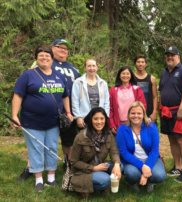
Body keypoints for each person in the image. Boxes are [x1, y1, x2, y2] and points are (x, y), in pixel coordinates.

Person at [12, 45, 74, 191]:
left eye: (47, 55)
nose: (44, 58)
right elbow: (18, 95)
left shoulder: (59, 76)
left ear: (52, 59)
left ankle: (51, 179)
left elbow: (65, 95)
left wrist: (69, 112)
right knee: (36, 149)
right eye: (41, 55)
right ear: (36, 59)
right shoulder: (28, 75)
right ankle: (38, 179)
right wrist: (14, 115)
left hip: (53, 122)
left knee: (52, 148)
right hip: (32, 121)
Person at [159, 46, 182, 182]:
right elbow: (162, 91)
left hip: (178, 112)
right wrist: (160, 108)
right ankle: (177, 167)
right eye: (168, 55)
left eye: (172, 55)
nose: (170, 57)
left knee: (181, 140)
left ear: (178, 57)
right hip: (166, 111)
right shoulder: (164, 72)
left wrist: (181, 108)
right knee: (171, 139)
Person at [70, 107, 121, 198]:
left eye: (102, 118)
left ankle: (100, 183)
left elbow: (114, 153)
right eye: (95, 119)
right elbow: (74, 162)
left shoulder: (108, 135)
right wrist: (94, 168)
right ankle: (83, 188)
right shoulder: (81, 137)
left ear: (105, 120)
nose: (99, 122)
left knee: (120, 166)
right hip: (83, 171)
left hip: (98, 165)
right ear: (91, 120)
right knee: (106, 180)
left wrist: (117, 165)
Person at [116, 101, 166, 192]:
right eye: (133, 113)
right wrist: (142, 167)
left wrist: (146, 170)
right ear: (129, 114)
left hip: (150, 159)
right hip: (132, 161)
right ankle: (133, 183)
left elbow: (155, 151)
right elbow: (123, 152)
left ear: (143, 114)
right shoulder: (122, 129)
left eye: (139, 113)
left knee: (160, 175)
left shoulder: (152, 127)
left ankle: (151, 181)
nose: (136, 116)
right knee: (131, 174)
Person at [72, 58, 110, 129]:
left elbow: (106, 102)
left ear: (97, 67)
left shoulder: (103, 83)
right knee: (85, 140)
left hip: (99, 120)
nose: (91, 68)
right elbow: (75, 101)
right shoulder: (78, 82)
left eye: (93, 66)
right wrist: (78, 117)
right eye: (89, 66)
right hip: (84, 120)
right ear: (85, 68)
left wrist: (106, 116)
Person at [109, 66, 146, 135]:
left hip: (134, 123)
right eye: (123, 73)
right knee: (120, 145)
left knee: (133, 145)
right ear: (119, 75)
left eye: (127, 73)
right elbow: (110, 108)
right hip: (118, 125)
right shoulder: (113, 90)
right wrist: (111, 124)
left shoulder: (137, 89)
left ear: (131, 76)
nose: (125, 75)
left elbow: (143, 106)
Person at [133, 54, 158, 123]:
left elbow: (155, 96)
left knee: (150, 133)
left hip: (149, 113)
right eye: (138, 62)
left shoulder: (152, 79)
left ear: (146, 64)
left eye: (142, 62)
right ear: (135, 64)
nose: (140, 64)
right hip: (135, 113)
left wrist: (154, 112)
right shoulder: (131, 78)